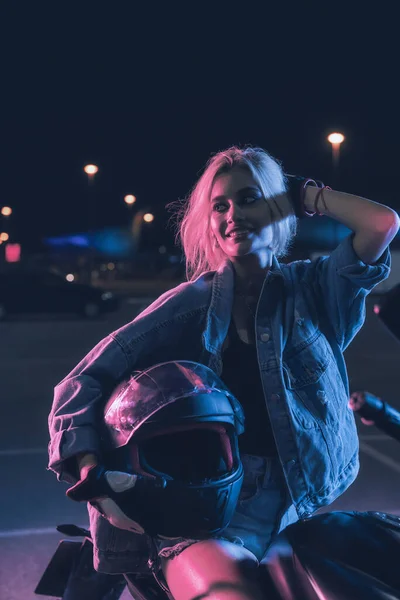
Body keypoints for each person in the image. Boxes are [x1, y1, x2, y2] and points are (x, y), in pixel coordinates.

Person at [48, 145, 399, 600]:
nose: (234, 214)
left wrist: (303, 197)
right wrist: (92, 474)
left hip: (294, 510)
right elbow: (81, 382)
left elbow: (381, 224)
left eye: (250, 198)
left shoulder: (315, 290)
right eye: (221, 206)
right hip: (205, 515)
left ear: (279, 205)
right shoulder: (188, 306)